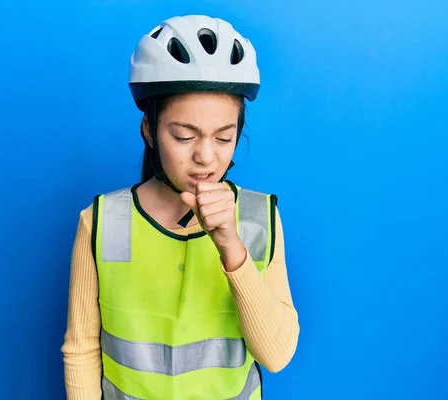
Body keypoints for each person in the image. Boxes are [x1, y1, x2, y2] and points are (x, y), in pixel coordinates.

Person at [61, 14, 300, 400]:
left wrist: (232, 248)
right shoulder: (105, 221)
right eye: (184, 135)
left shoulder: (258, 219)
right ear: (149, 130)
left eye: (224, 137)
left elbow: (276, 356)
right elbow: (81, 351)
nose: (205, 157)